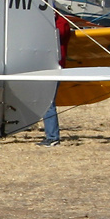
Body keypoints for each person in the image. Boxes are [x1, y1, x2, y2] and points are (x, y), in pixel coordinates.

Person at [39, 11, 73, 148]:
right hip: (42, 66)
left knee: (48, 103)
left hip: (54, 66)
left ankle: (53, 137)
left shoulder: (61, 23)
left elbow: (59, 34)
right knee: (44, 102)